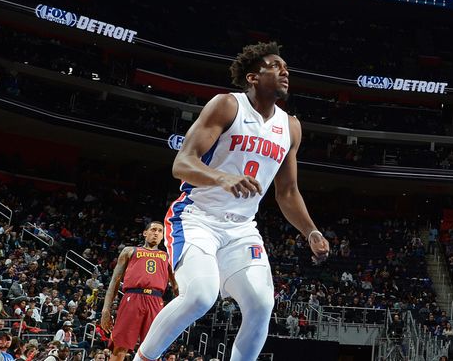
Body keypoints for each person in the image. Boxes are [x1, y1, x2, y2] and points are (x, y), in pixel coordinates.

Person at [132, 43, 330, 361]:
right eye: (275, 65)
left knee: (262, 305)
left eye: (286, 67)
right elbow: (182, 164)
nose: (285, 71)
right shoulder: (227, 106)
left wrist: (311, 231)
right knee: (200, 295)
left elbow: (288, 192)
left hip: (241, 229)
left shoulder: (290, 127)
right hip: (197, 217)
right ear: (253, 77)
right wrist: (223, 178)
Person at [101, 221, 174, 361]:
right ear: (145, 233)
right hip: (133, 297)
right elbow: (114, 281)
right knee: (120, 346)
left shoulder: (167, 257)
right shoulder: (130, 251)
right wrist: (106, 309)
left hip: (156, 300)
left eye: (160, 231)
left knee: (152, 350)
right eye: (153, 230)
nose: (156, 233)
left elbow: (176, 287)